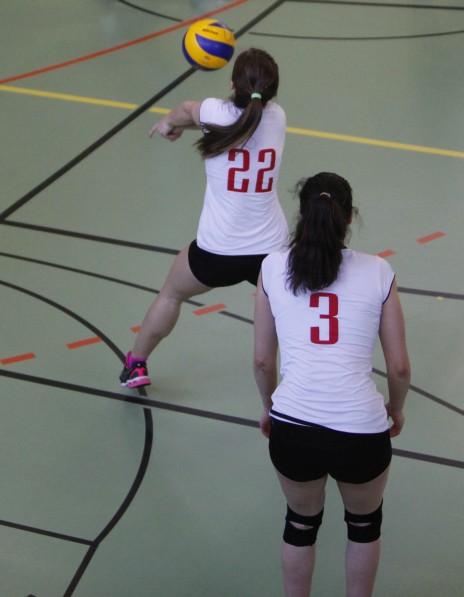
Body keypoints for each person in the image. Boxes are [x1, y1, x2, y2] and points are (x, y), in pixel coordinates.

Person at [253, 172, 411, 597]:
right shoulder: (379, 271)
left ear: (302, 214)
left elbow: (263, 360)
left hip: (293, 426)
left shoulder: (271, 267)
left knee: (300, 524)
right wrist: (395, 410)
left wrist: (269, 407)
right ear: (349, 217)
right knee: (364, 526)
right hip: (361, 430)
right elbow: (398, 368)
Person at [120, 48, 288, 388]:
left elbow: (185, 110)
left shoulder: (214, 112)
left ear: (232, 85)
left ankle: (136, 364)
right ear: (271, 92)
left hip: (216, 251)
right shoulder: (277, 117)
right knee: (291, 309)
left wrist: (169, 124)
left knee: (171, 295)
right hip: (270, 251)